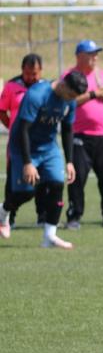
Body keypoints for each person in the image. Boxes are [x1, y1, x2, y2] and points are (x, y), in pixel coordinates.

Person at [0, 72, 88, 249]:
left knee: (57, 184)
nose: (72, 100)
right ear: (63, 85)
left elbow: (67, 129)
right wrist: (27, 163)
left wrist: (69, 161)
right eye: (71, 95)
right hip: (23, 147)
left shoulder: (69, 100)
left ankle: (49, 236)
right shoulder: (37, 95)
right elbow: (23, 129)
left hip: (48, 148)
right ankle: (3, 211)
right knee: (26, 192)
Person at [63, 40, 103, 229]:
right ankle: (74, 215)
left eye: (96, 54)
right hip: (80, 135)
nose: (95, 57)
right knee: (77, 179)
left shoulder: (101, 75)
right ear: (79, 56)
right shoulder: (70, 77)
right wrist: (93, 94)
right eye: (91, 54)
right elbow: (68, 100)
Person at [0, 53, 47, 227]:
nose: (31, 77)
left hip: (40, 142)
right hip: (17, 144)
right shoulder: (12, 86)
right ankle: (8, 218)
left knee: (43, 178)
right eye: (28, 73)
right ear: (22, 70)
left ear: (41, 71)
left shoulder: (45, 87)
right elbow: (2, 111)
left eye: (34, 73)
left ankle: (42, 215)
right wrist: (13, 129)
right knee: (13, 178)